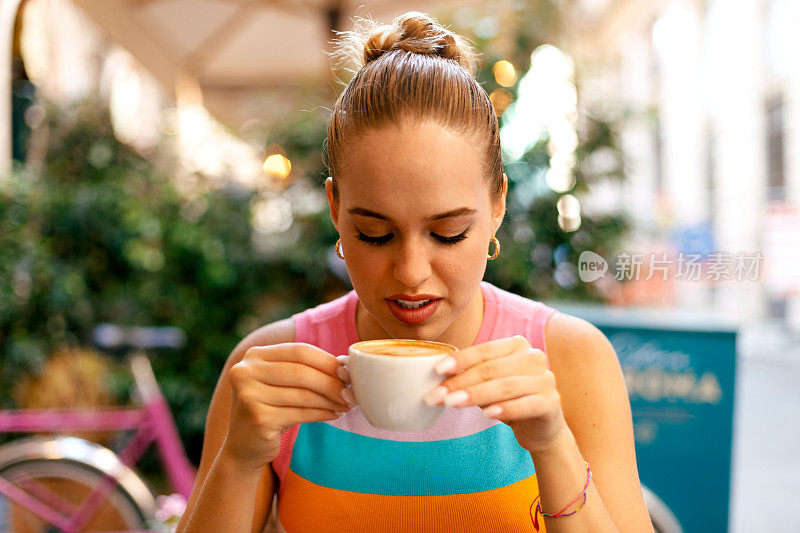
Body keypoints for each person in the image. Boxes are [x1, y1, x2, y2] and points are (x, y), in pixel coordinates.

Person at [177, 11, 654, 533]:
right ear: (335, 208)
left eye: (448, 234)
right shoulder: (265, 373)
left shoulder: (570, 361)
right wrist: (239, 459)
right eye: (374, 235)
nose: (410, 273)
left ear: (497, 204)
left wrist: (553, 444)